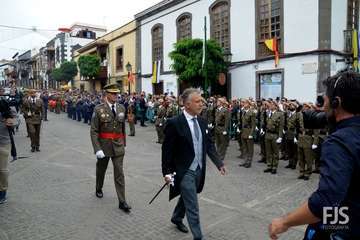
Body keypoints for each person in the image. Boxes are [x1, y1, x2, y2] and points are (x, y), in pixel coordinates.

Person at [269, 70, 360, 240]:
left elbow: (327, 201)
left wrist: (285, 222)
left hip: (345, 226)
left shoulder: (339, 142)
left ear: (336, 102)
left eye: (325, 99)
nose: (322, 105)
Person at [162, 88, 226, 240]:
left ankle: (177, 217)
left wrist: (219, 163)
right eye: (198, 101)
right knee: (193, 206)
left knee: (187, 196)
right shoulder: (175, 123)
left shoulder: (202, 122)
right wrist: (167, 172)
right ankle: (198, 237)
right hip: (184, 172)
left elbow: (209, 145)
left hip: (199, 170)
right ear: (187, 104)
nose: (201, 104)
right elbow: (167, 151)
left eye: (202, 101)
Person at [90, 83, 131, 213]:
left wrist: (123, 143)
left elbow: (122, 128)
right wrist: (97, 149)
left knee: (119, 173)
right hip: (104, 146)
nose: (116, 95)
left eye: (117, 93)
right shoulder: (98, 109)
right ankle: (98, 187)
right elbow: (94, 131)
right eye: (113, 93)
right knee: (101, 169)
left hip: (118, 145)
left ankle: (122, 201)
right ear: (106, 94)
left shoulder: (121, 108)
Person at [0, 87, 15, 204]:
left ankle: (2, 192)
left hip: (3, 142)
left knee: (2, 170)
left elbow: (15, 118)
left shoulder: (5, 103)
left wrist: (11, 121)